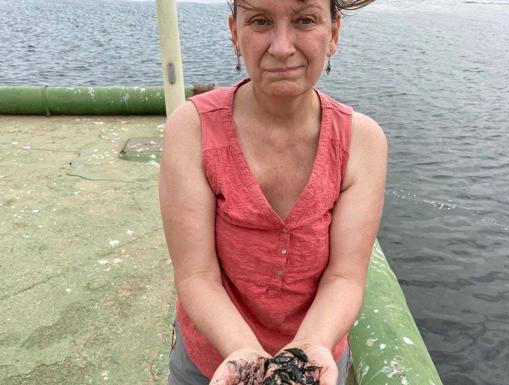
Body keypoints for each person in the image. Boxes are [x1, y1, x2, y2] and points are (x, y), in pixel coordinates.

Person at [159, 0, 387, 384]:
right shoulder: (192, 129)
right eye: (260, 21)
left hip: (318, 358)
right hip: (210, 359)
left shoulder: (362, 142)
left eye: (305, 20)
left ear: (333, 34)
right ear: (235, 32)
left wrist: (310, 347)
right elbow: (197, 274)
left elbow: (345, 277)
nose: (282, 47)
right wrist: (241, 352)